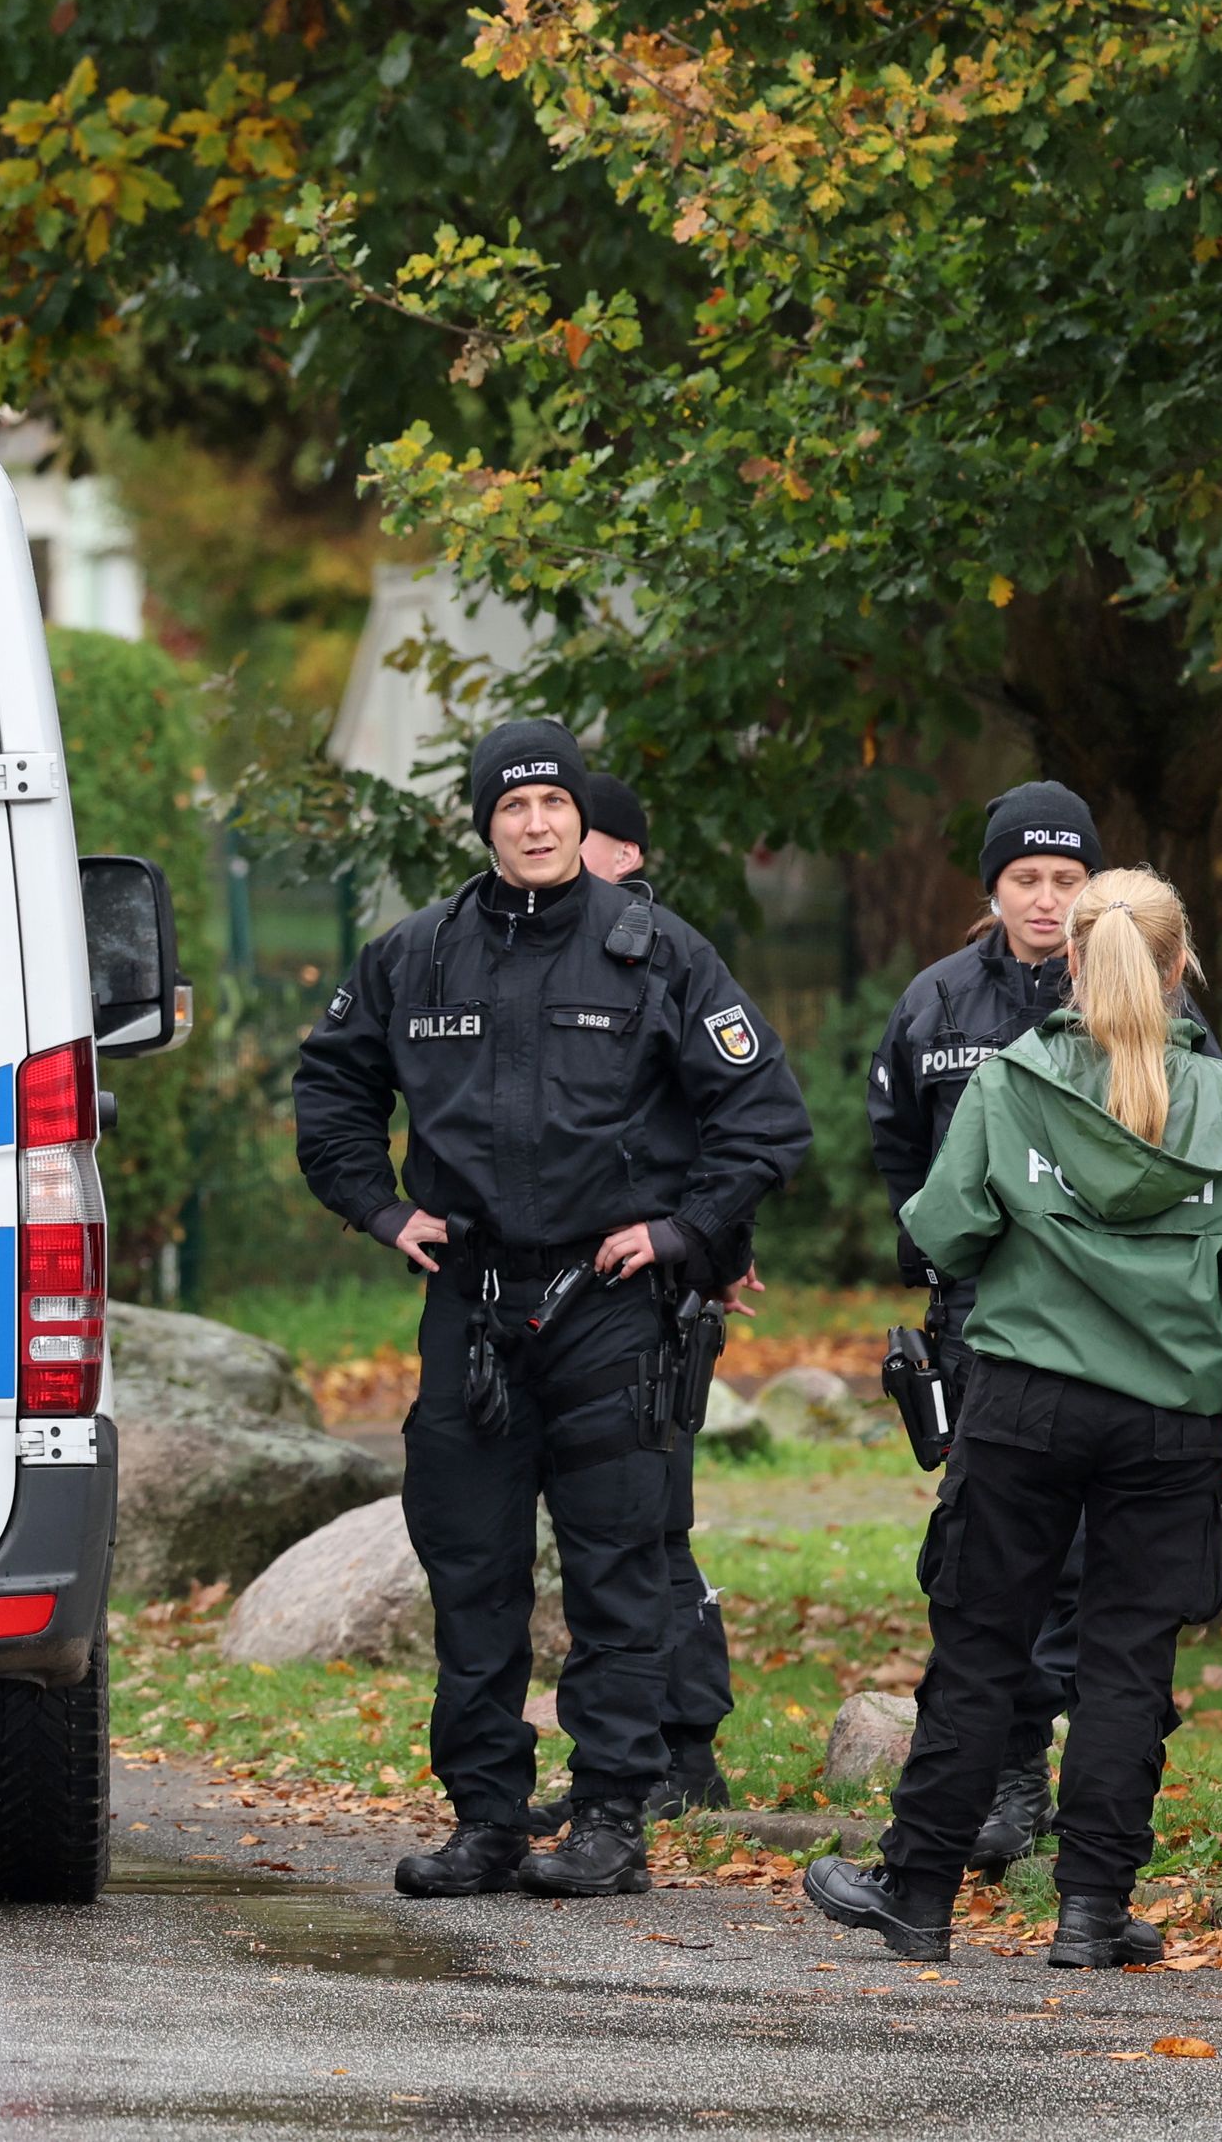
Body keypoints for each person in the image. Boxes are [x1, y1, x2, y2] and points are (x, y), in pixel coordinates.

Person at [296, 722, 813, 1899]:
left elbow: (763, 1117)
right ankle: (484, 1817)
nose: (535, 821)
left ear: (583, 819)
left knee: (617, 1571)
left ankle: (609, 1819)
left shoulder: (660, 952)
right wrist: (379, 1209)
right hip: (469, 1306)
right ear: (481, 822)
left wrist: (682, 1232)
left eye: (553, 802)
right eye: (512, 803)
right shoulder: (413, 956)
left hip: (608, 1309)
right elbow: (329, 1084)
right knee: (470, 1571)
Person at [808, 869, 1222, 1968]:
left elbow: (942, 1228)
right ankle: (1088, 1909)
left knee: (980, 1645)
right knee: (1127, 1660)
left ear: (1072, 961)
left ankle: (920, 1891)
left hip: (1024, 1399)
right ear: (1180, 967)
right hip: (1169, 1416)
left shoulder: (1013, 1081)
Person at [863, 782, 1210, 1875]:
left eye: (1067, 878)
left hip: (1121, 1334)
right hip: (982, 1324)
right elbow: (899, 1156)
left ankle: (1090, 1800)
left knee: (1099, 1574)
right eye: (1026, 877)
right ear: (993, 886)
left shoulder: (1159, 1007)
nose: (1047, 897)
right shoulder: (935, 1003)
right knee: (984, 1563)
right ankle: (1006, 1778)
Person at [557, 771, 738, 1823]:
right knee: (639, 1526)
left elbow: (727, 1117)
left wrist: (711, 1246)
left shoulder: (658, 953)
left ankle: (687, 1747)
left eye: (579, 835)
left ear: (620, 851)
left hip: (654, 1294)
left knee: (651, 1526)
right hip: (605, 1292)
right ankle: (662, 1742)